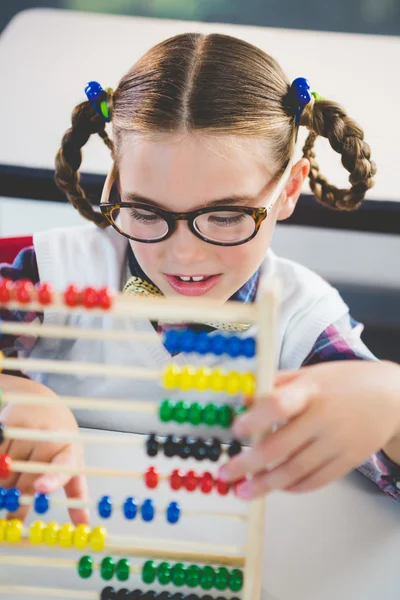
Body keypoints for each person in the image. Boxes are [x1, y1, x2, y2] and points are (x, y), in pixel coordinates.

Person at [0, 32, 389, 523]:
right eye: (144, 211)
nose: (183, 254)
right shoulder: (48, 271)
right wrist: (16, 394)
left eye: (225, 217)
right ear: (117, 182)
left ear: (289, 190)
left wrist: (389, 402)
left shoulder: (301, 318)